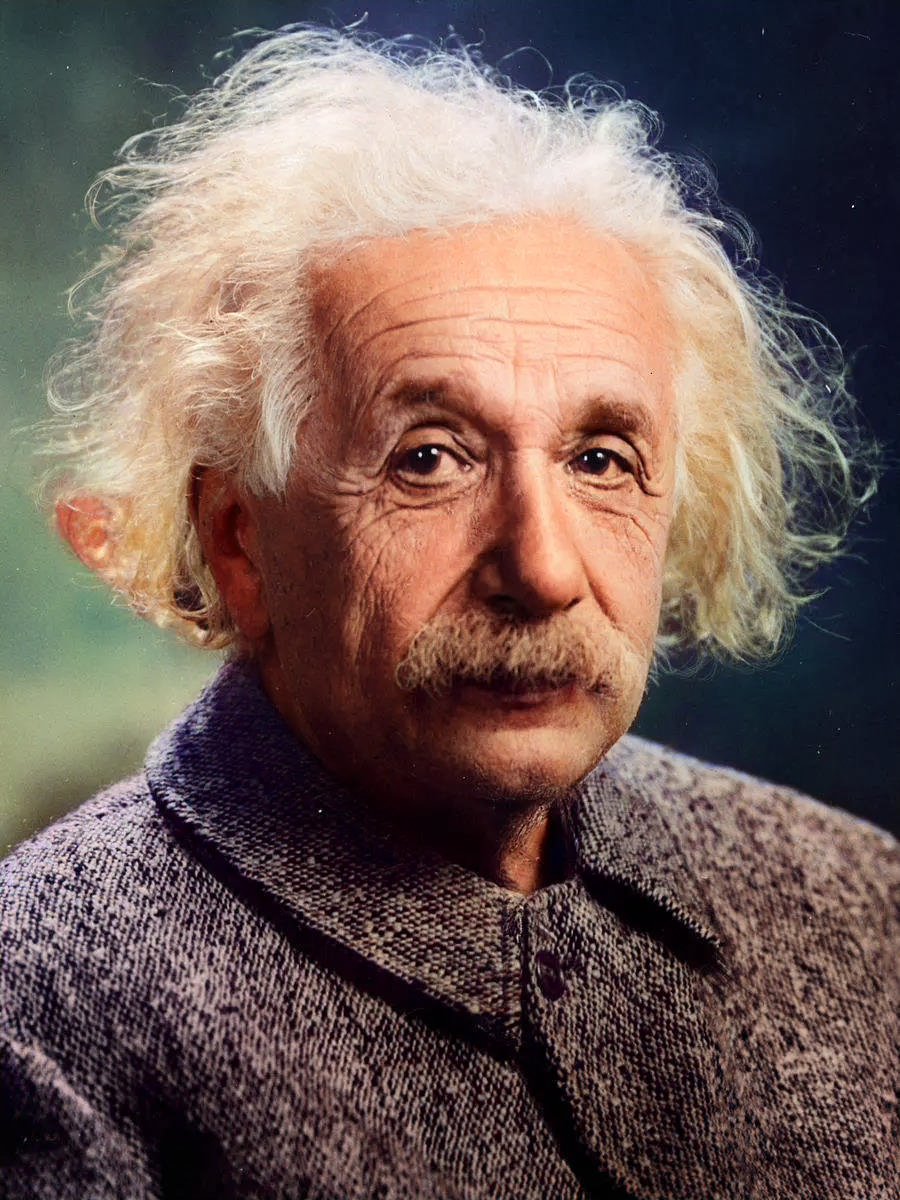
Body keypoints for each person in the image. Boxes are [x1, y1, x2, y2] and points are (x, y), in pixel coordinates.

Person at [2, 26, 897, 1200]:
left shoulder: (858, 898)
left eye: (600, 458)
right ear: (238, 539)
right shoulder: (38, 1004)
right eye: (428, 458)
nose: (544, 569)